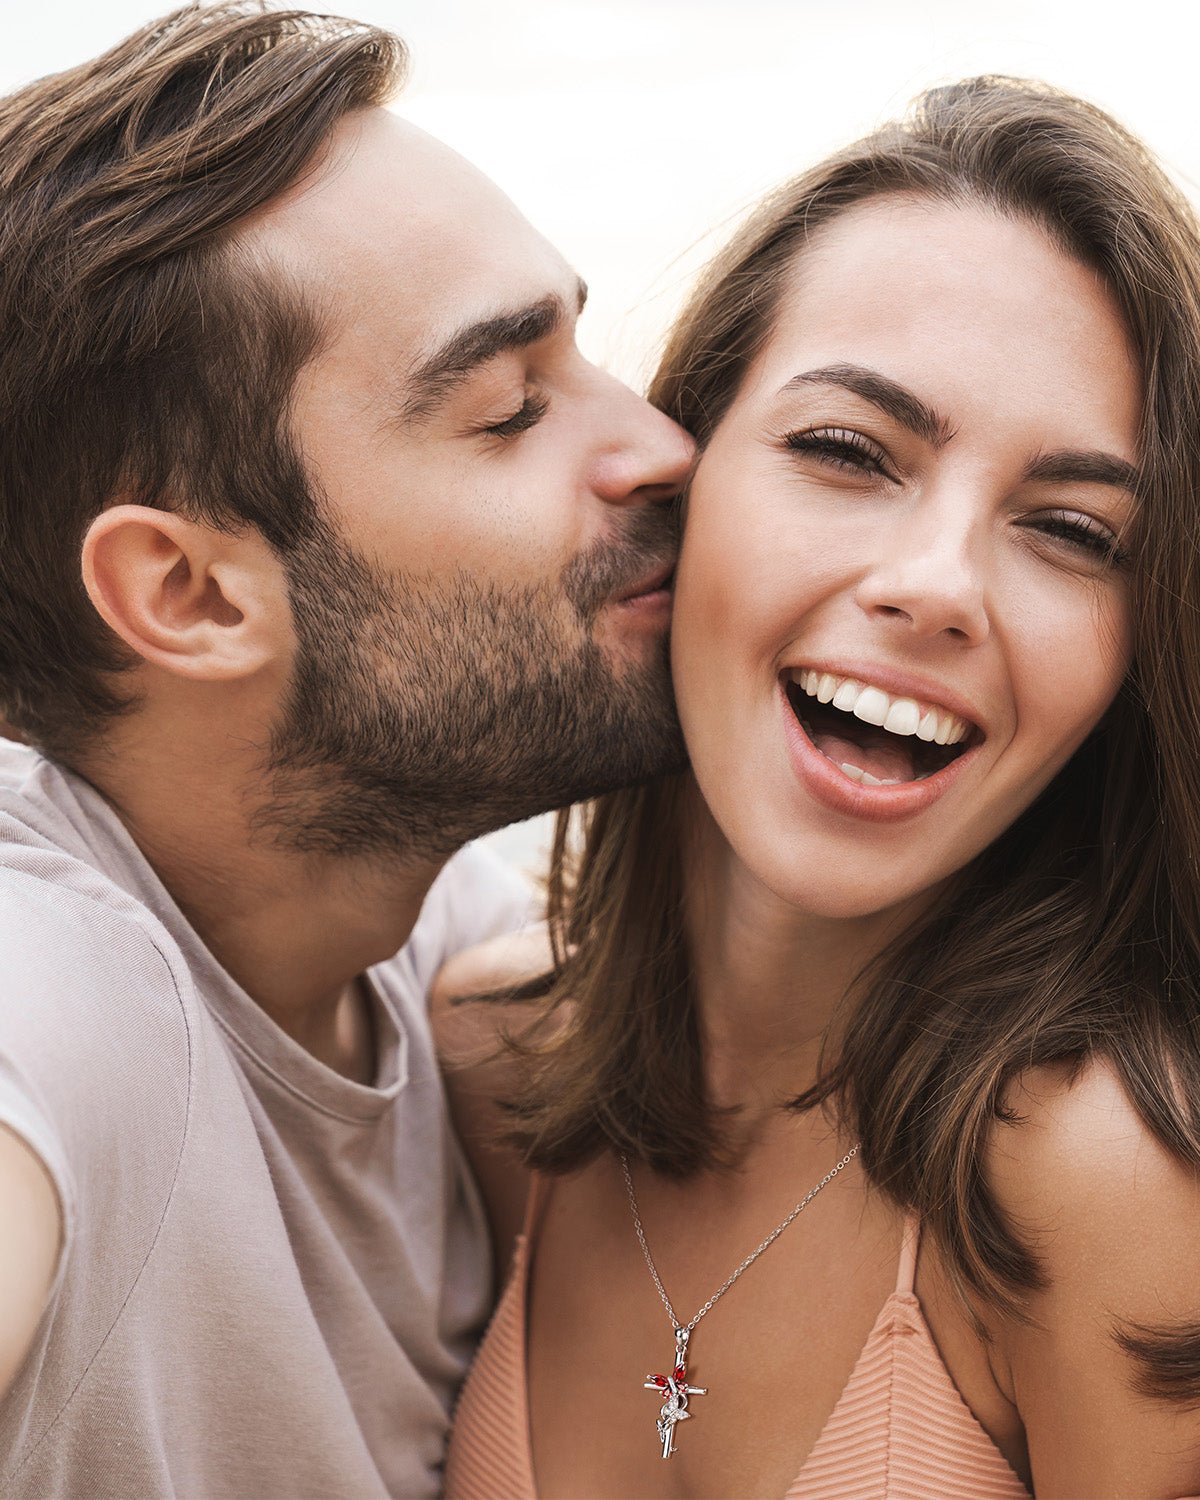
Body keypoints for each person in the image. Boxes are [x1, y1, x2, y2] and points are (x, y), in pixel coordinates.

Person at [440, 78, 1200, 1499]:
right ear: (683, 474)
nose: (936, 587)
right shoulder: (491, 1066)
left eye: (1075, 531)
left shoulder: (1102, 1183)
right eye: (848, 452)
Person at [0, 4, 693, 1497]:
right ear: (189, 592)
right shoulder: (53, 994)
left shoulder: (421, 929)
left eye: (589, 358)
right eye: (510, 410)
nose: (660, 446)